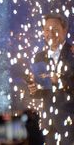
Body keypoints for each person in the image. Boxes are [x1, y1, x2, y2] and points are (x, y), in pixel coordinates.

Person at [27, 13, 74, 144]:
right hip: (48, 124)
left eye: (55, 29)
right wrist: (33, 89)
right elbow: (41, 92)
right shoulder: (39, 57)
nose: (50, 33)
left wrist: (58, 81)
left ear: (65, 30)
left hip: (70, 122)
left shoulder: (72, 53)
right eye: (47, 29)